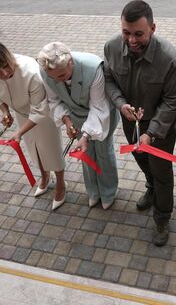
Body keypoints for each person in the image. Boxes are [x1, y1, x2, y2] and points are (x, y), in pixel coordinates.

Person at [103, 0, 176, 246]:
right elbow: (108, 79)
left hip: (159, 129)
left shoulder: (169, 58)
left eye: (139, 34)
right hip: (130, 122)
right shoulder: (111, 47)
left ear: (153, 28)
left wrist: (152, 133)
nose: (131, 40)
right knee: (141, 160)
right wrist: (120, 104)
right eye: (126, 33)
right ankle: (151, 188)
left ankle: (162, 217)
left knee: (162, 172)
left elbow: (172, 101)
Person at [0, 40, 67, 210]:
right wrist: (5, 112)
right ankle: (44, 176)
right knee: (33, 148)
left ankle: (61, 184)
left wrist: (18, 133)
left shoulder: (30, 71)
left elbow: (40, 110)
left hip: (44, 115)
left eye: (5, 66)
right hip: (21, 114)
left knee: (51, 150)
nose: (3, 73)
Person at [38, 42, 119, 210]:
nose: (57, 80)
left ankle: (108, 191)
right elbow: (54, 100)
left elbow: (98, 106)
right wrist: (67, 121)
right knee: (86, 154)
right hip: (74, 115)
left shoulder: (93, 67)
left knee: (103, 151)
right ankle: (93, 192)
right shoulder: (47, 72)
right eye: (53, 77)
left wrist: (86, 135)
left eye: (61, 76)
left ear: (71, 63)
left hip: (102, 114)